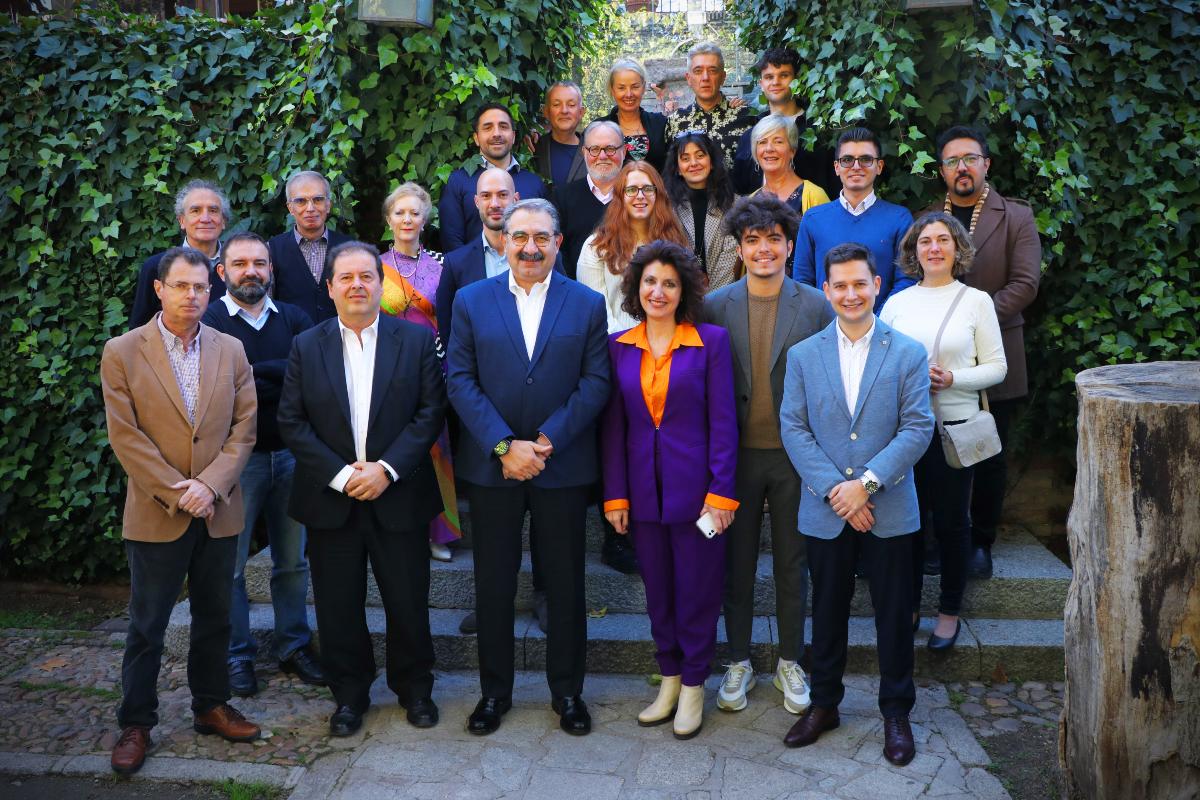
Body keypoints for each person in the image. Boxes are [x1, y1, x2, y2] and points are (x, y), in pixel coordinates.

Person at [446, 199, 609, 737]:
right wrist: (502, 446)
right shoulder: (471, 300)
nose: (530, 247)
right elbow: (460, 380)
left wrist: (544, 441)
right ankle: (494, 693)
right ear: (503, 241)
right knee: (493, 583)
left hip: (560, 467)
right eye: (519, 237)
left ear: (558, 242)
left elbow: (595, 382)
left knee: (564, 584)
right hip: (493, 470)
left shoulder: (586, 304)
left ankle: (568, 692)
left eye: (541, 237)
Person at [278, 241, 447, 737]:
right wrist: (342, 474)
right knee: (336, 606)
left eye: (367, 276)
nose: (357, 285)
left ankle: (415, 690)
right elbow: (292, 420)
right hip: (331, 500)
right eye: (345, 277)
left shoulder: (413, 342)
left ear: (381, 283)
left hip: (399, 495)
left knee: (408, 601)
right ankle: (349, 696)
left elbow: (429, 413)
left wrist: (387, 469)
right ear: (330, 288)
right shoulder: (306, 345)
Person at [102, 246, 260, 775]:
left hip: (219, 511)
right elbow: (127, 438)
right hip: (156, 513)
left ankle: (210, 705)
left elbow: (245, 429)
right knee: (147, 625)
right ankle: (136, 722)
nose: (192, 296)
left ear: (210, 290)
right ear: (160, 289)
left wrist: (210, 487)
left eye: (200, 287)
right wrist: (177, 490)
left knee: (215, 617)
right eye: (181, 286)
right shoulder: (122, 352)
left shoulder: (232, 349)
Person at [778, 243, 934, 766]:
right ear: (827, 290)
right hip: (826, 508)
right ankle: (824, 705)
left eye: (859, 284)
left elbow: (918, 427)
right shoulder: (803, 355)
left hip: (887, 507)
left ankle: (896, 712)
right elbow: (793, 428)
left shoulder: (908, 352)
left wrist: (864, 485)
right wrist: (836, 491)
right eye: (839, 285)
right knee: (826, 611)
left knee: (893, 614)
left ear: (876, 286)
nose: (850, 294)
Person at [601, 240, 738, 740]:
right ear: (637, 288)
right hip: (642, 498)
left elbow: (724, 423)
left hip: (699, 496)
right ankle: (670, 680)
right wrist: (615, 496)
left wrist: (722, 494)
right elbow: (613, 429)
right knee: (658, 594)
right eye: (650, 282)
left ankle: (696, 685)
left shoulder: (711, 342)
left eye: (669, 283)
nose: (658, 291)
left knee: (698, 594)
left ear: (684, 291)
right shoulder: (618, 346)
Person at [701, 195, 833, 714]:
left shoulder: (816, 306)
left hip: (794, 458)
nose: (763, 249)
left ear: (789, 244)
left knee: (791, 563)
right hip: (734, 460)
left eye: (773, 239)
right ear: (740, 246)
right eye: (753, 240)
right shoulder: (715, 305)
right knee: (735, 564)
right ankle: (738, 660)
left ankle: (790, 661)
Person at [201, 232, 324, 699]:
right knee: (230, 567)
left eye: (259, 263)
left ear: (271, 269)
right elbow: (221, 387)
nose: (251, 271)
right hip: (236, 463)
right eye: (240, 264)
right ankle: (237, 655)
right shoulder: (211, 320)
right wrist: (270, 373)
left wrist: (254, 373)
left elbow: (304, 377)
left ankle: (293, 646)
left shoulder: (292, 317)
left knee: (291, 562)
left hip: (292, 455)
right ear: (222, 272)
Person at [880, 212, 1006, 649]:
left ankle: (949, 610)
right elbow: (881, 363)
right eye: (925, 241)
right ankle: (910, 605)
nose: (934, 248)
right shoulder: (897, 303)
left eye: (943, 240)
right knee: (908, 526)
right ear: (913, 251)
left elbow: (997, 368)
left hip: (955, 429)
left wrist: (953, 379)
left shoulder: (976, 301)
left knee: (952, 525)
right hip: (905, 432)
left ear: (957, 248)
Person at [927, 125, 1042, 579]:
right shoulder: (928, 219)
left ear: (986, 164)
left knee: (989, 455)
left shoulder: (1014, 216)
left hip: (998, 354)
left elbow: (1026, 284)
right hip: (938, 361)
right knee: (936, 452)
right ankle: (939, 539)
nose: (962, 167)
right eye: (952, 161)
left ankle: (980, 543)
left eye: (970, 158)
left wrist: (973, 316)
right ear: (942, 170)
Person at [379, 182, 461, 563]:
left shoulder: (444, 266)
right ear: (389, 219)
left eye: (415, 212)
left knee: (436, 449)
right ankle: (400, 527)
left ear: (426, 218)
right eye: (400, 212)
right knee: (394, 447)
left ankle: (439, 532)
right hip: (390, 370)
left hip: (434, 367)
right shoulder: (374, 267)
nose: (407, 219)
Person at [792, 128, 914, 311]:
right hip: (827, 331)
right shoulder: (813, 219)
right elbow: (803, 282)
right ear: (836, 167)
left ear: (879, 166)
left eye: (866, 159)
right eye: (847, 160)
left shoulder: (900, 219)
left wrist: (876, 323)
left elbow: (906, 280)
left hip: (883, 330)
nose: (856, 167)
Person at [577, 161, 689, 333]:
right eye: (631, 189)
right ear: (620, 196)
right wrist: (628, 346)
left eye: (647, 189)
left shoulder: (675, 241)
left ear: (658, 194)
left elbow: (685, 302)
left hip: (668, 346)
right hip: (615, 346)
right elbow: (596, 310)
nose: (640, 195)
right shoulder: (597, 246)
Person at [438, 103, 547, 252]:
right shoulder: (458, 182)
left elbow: (546, 238)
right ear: (476, 138)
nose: (496, 133)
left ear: (513, 136)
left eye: (503, 126)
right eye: (488, 127)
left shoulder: (534, 183)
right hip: (475, 274)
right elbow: (452, 243)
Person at [732, 48, 836, 196]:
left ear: (796, 80)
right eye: (769, 77)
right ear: (761, 83)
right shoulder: (749, 136)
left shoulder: (818, 133)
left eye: (784, 75)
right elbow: (740, 189)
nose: (776, 82)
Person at [128, 180, 229, 328]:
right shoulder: (156, 267)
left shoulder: (238, 267)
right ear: (182, 220)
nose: (205, 219)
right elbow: (139, 331)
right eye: (195, 211)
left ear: (223, 221)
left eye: (213, 211)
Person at [269, 170, 354, 323]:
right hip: (291, 343)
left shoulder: (350, 249)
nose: (310, 208)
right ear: (290, 208)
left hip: (341, 341)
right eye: (301, 201)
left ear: (328, 205)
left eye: (318, 200)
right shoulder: (272, 250)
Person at [662, 130, 740, 291]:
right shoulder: (666, 207)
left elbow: (729, 262)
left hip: (722, 298)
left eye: (700, 155)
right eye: (685, 158)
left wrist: (712, 301)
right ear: (677, 168)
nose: (693, 163)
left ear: (711, 162)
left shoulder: (734, 204)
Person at [747, 114, 831, 255]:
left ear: (792, 150)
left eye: (778, 141)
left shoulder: (813, 195)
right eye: (762, 142)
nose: (769, 148)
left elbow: (829, 253)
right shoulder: (751, 200)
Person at [664, 42, 757, 168]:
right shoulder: (675, 122)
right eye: (698, 71)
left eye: (712, 70)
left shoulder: (747, 118)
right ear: (688, 78)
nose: (705, 77)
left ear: (723, 77)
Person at [555, 120, 627, 279]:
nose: (602, 156)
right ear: (584, 153)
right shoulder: (562, 198)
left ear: (624, 151)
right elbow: (558, 252)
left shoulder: (637, 197)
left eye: (610, 149)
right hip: (578, 295)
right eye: (594, 149)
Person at [599, 57, 669, 173]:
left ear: (643, 87)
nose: (629, 94)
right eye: (621, 88)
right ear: (612, 90)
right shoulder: (598, 128)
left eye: (635, 87)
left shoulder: (661, 123)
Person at [533, 81, 588, 188]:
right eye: (556, 104)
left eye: (571, 105)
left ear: (581, 112)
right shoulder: (534, 147)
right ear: (546, 112)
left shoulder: (595, 151)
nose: (564, 110)